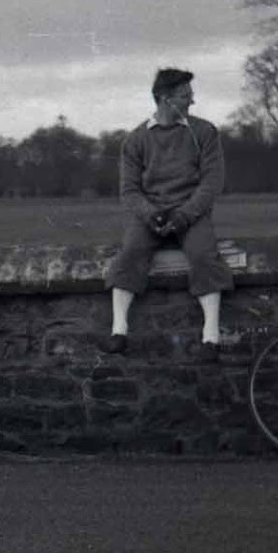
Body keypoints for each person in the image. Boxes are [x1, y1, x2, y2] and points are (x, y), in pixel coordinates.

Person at [101, 67, 233, 360]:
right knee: (131, 252)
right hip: (151, 214)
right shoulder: (135, 140)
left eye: (191, 95)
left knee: (203, 255)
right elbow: (130, 191)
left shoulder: (205, 132)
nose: (191, 102)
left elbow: (211, 183)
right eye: (185, 96)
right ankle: (118, 330)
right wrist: (151, 216)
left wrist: (184, 216)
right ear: (165, 99)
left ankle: (211, 336)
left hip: (191, 213)